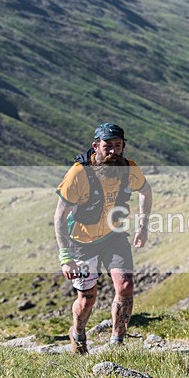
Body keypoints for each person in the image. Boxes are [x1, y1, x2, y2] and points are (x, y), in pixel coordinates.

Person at [54, 123, 152, 354]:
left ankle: (117, 343)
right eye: (107, 146)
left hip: (113, 236)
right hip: (81, 242)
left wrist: (143, 227)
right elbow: (59, 215)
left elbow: (145, 191)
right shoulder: (79, 173)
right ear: (96, 146)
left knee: (126, 286)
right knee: (87, 298)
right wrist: (65, 256)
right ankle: (78, 333)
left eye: (118, 146)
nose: (112, 151)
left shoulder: (128, 168)